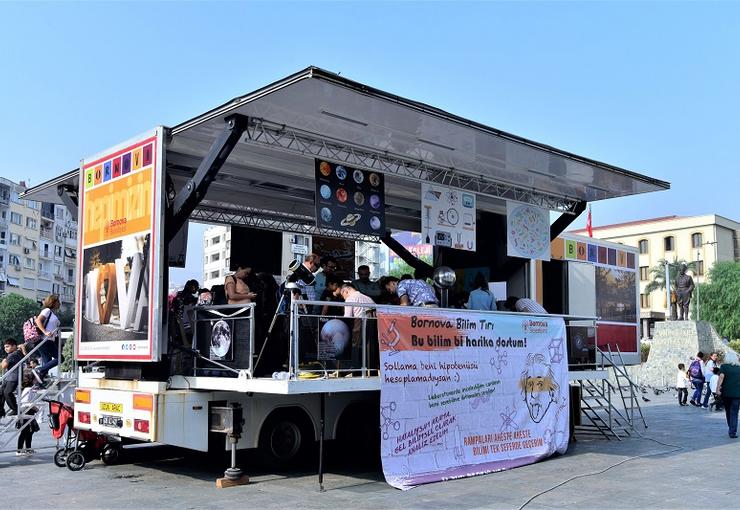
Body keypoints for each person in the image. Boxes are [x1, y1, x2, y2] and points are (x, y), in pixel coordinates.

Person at [339, 283, 376, 369]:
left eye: (342, 295)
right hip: (372, 330)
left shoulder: (350, 299)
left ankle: (352, 368)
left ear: (345, 291)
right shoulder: (369, 298)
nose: (343, 298)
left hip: (358, 329)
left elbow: (347, 318)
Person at [31, 294, 62, 385]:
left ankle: (38, 383)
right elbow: (38, 320)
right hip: (45, 340)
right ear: (53, 302)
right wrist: (45, 332)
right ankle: (39, 370)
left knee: (47, 362)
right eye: (58, 302)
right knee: (60, 358)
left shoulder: (52, 313)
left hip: (48, 340)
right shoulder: (47, 310)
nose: (59, 304)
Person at [15, 373, 40, 456]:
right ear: (32, 380)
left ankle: (27, 449)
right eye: (35, 379)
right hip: (26, 410)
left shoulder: (29, 389)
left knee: (30, 431)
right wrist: (35, 408)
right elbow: (26, 402)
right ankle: (19, 450)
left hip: (28, 410)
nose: (36, 380)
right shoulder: (28, 389)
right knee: (25, 431)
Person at [716, 361, 740, 438]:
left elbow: (721, 377)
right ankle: (732, 431)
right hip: (737, 394)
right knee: (734, 412)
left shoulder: (724, 367)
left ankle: (731, 426)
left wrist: (717, 388)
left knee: (728, 411)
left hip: (726, 393)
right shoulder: (739, 367)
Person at [1, 339, 23, 416]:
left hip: (13, 378)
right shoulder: (18, 352)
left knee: (7, 393)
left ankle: (15, 409)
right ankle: (1, 410)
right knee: (1, 392)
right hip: (9, 377)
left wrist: (3, 361)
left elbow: (3, 366)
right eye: (5, 347)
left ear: (14, 346)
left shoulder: (12, 355)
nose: (6, 349)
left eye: (7, 346)